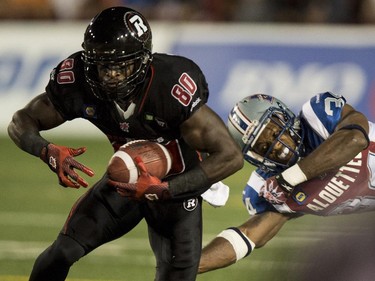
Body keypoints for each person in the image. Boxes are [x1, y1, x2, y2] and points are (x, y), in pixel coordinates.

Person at [7, 6, 243, 281]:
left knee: (174, 276)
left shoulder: (169, 84)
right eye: (102, 65)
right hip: (124, 182)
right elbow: (21, 121)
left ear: (143, 60)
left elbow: (230, 156)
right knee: (62, 252)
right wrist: (45, 150)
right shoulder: (78, 79)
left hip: (178, 188)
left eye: (121, 65)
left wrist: (167, 189)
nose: (110, 74)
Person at [198, 92, 375, 273]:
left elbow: (355, 139)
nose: (276, 145)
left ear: (284, 117)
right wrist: (186, 267)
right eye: (263, 146)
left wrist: (290, 178)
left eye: (274, 132)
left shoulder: (317, 116)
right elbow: (250, 235)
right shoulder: (266, 184)